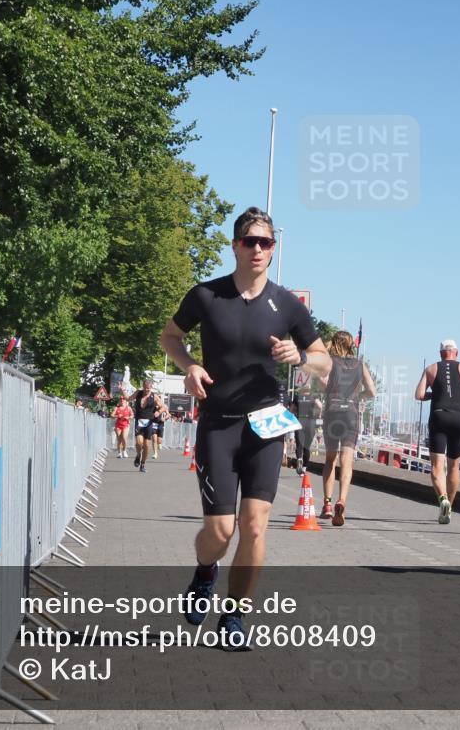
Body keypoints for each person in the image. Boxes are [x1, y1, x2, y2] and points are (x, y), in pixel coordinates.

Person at [160, 206, 330, 650]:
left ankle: (234, 616)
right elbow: (169, 337)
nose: (258, 249)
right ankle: (205, 571)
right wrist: (190, 365)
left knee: (254, 526)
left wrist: (300, 357)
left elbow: (325, 362)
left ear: (273, 249)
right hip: (218, 423)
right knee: (220, 531)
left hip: (266, 424)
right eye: (250, 241)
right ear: (235, 245)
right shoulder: (206, 295)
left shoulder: (287, 304)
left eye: (265, 242)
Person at [415, 339, 460, 524]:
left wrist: (434, 395)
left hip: (439, 416)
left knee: (437, 466)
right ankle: (449, 508)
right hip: (459, 418)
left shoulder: (431, 369)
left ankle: (443, 499)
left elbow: (419, 395)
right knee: (454, 466)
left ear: (440, 354)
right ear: (457, 352)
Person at [318, 331, 376, 526]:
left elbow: (322, 382)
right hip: (351, 414)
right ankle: (341, 500)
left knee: (330, 459)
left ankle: (327, 504)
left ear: (335, 343)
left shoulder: (330, 362)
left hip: (332, 412)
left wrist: (329, 390)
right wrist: (358, 397)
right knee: (346, 461)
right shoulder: (360, 364)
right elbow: (372, 391)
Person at [131, 379, 162, 472]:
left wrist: (158, 412)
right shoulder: (138, 393)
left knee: (147, 446)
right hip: (139, 421)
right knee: (139, 443)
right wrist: (122, 390)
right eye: (145, 388)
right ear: (143, 386)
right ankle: (138, 455)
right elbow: (128, 398)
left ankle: (143, 464)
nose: (146, 390)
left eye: (148, 388)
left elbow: (163, 406)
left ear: (151, 387)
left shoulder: (154, 396)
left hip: (149, 423)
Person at [290, 388, 322, 477]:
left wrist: (296, 413)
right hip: (310, 422)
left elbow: (291, 410)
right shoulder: (313, 396)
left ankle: (299, 459)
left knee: (299, 445)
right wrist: (318, 415)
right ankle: (304, 468)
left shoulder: (297, 397)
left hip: (300, 421)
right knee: (307, 447)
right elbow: (320, 406)